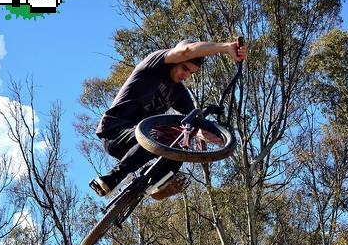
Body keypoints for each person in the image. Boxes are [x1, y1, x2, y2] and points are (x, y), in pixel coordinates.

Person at [91, 39, 247, 197]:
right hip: (115, 132)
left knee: (180, 146)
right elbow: (186, 51)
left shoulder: (178, 92)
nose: (186, 75)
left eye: (191, 73)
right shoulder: (154, 65)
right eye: (184, 68)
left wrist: (217, 137)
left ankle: (154, 183)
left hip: (138, 145)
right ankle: (112, 178)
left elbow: (195, 122)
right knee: (158, 135)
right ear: (176, 60)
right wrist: (226, 47)